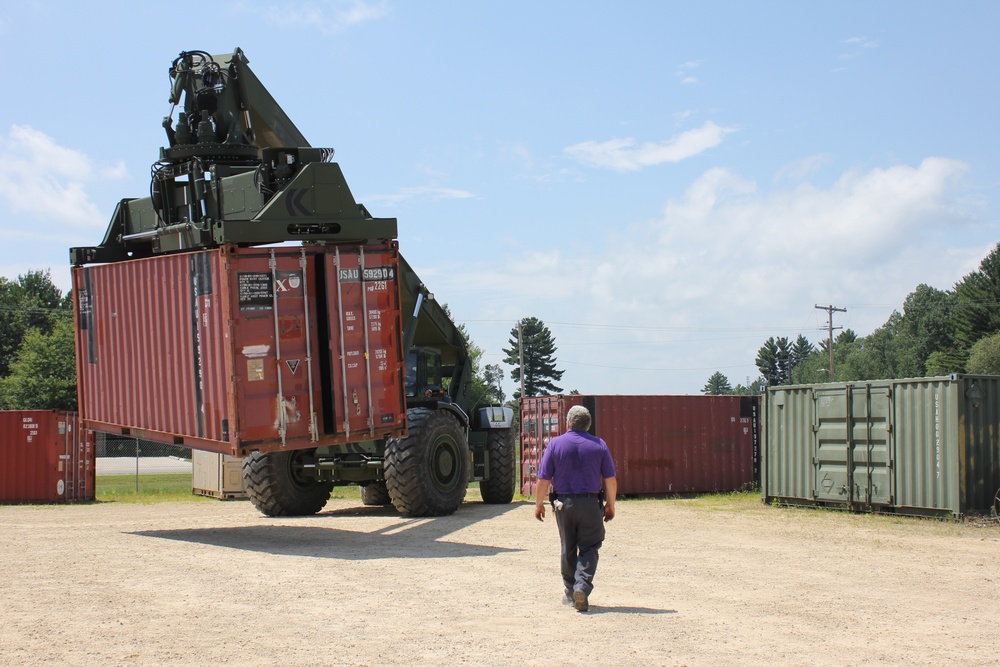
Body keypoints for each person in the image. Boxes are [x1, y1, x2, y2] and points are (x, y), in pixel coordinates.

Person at [534, 405, 616, 612]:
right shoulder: (599, 445)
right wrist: (611, 505)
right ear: (588, 424)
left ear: (567, 422)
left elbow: (544, 479)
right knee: (590, 546)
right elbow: (610, 479)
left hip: (564, 504)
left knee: (567, 546)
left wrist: (538, 504)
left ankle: (571, 592)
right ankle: (582, 586)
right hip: (590, 503)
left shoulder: (555, 444)